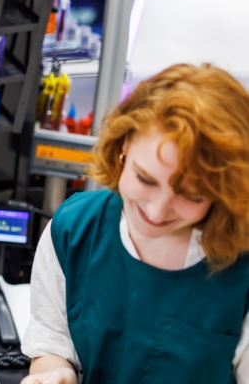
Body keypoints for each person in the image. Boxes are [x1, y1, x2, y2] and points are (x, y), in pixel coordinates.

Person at [21, 64, 249, 384]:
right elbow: (52, 340)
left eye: (191, 196)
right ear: (124, 144)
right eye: (145, 179)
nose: (156, 212)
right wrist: (55, 372)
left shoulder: (241, 266)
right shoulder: (74, 230)